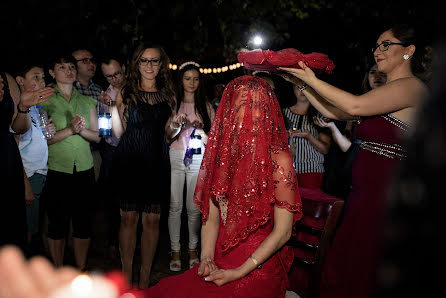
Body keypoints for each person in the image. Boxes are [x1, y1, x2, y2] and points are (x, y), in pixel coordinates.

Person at [280, 24, 430, 298]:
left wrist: (310, 79)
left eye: (386, 44)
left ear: (408, 51)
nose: (377, 51)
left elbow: (353, 106)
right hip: (362, 195)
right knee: (348, 267)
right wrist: (301, 82)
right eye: (376, 46)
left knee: (365, 270)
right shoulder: (385, 92)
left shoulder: (411, 88)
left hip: (385, 197)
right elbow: (334, 110)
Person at [142, 75, 302, 297]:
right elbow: (211, 217)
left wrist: (238, 272)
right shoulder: (222, 158)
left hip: (258, 265)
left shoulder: (279, 160)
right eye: (241, 105)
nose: (247, 113)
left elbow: (283, 233)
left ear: (265, 111)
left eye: (254, 106)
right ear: (230, 111)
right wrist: (206, 258)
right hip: (219, 258)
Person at [109, 42, 176, 289]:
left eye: (154, 60)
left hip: (156, 160)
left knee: (152, 221)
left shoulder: (169, 93)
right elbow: (118, 132)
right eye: (144, 60)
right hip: (129, 160)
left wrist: (177, 125)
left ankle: (145, 281)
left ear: (161, 64)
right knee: (128, 219)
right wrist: (111, 110)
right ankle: (126, 279)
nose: (149, 66)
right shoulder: (126, 92)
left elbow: (169, 134)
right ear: (137, 64)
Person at [40, 52, 100, 270]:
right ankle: (57, 269)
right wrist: (69, 130)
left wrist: (81, 131)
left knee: (83, 223)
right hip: (57, 168)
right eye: (62, 67)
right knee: (57, 223)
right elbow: (43, 141)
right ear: (52, 72)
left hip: (84, 167)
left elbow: (97, 136)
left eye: (71, 67)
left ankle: (81, 269)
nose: (68, 71)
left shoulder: (87, 101)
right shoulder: (45, 101)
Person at [167, 61, 215, 272]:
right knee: (175, 206)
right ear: (181, 80)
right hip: (177, 154)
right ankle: (175, 250)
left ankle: (193, 250)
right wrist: (177, 124)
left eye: (195, 79)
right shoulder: (173, 103)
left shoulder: (205, 106)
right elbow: (168, 136)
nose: (191, 83)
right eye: (187, 78)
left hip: (198, 156)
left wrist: (201, 129)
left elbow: (212, 142)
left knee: (193, 208)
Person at [0, 71, 53, 253]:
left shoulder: (7, 79)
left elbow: (17, 129)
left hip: (7, 159)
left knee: (14, 232)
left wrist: (23, 107)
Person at [316, 63, 387, 199]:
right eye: (372, 72)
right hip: (356, 168)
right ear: (367, 77)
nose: (377, 76)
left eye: (382, 72)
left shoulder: (394, 103)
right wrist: (332, 126)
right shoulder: (361, 104)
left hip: (382, 169)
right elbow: (346, 146)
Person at [14, 63, 56, 249]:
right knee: (25, 231)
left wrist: (47, 132)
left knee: (33, 227)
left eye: (43, 78)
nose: (41, 82)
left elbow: (39, 141)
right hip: (27, 175)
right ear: (20, 81)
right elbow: (14, 146)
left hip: (39, 173)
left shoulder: (38, 109)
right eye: (36, 77)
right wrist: (25, 185)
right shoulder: (18, 109)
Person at [97, 57, 126, 259]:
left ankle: (133, 240)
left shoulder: (135, 88)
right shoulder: (105, 96)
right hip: (113, 150)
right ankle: (114, 241)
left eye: (117, 73)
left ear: (124, 68)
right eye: (109, 76)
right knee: (112, 198)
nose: (114, 79)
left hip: (135, 150)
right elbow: (104, 128)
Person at [282, 82, 331, 189]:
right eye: (298, 86)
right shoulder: (283, 113)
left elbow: (325, 149)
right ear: (293, 89)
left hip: (311, 169)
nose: (301, 90)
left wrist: (309, 136)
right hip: (287, 170)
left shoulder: (319, 115)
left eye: (305, 87)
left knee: (311, 203)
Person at [72, 48, 103, 182]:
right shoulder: (62, 89)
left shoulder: (99, 90)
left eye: (92, 60)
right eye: (85, 60)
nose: (91, 64)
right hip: (69, 154)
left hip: (94, 151)